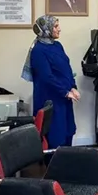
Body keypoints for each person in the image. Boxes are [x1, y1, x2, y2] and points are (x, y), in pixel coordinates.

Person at [22, 15, 79, 148]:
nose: (59, 29)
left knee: (68, 132)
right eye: (55, 26)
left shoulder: (57, 45)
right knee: (55, 137)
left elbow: (67, 69)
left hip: (64, 98)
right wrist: (65, 92)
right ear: (46, 29)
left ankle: (67, 159)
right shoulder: (38, 50)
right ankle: (54, 161)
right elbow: (46, 77)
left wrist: (73, 87)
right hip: (51, 100)